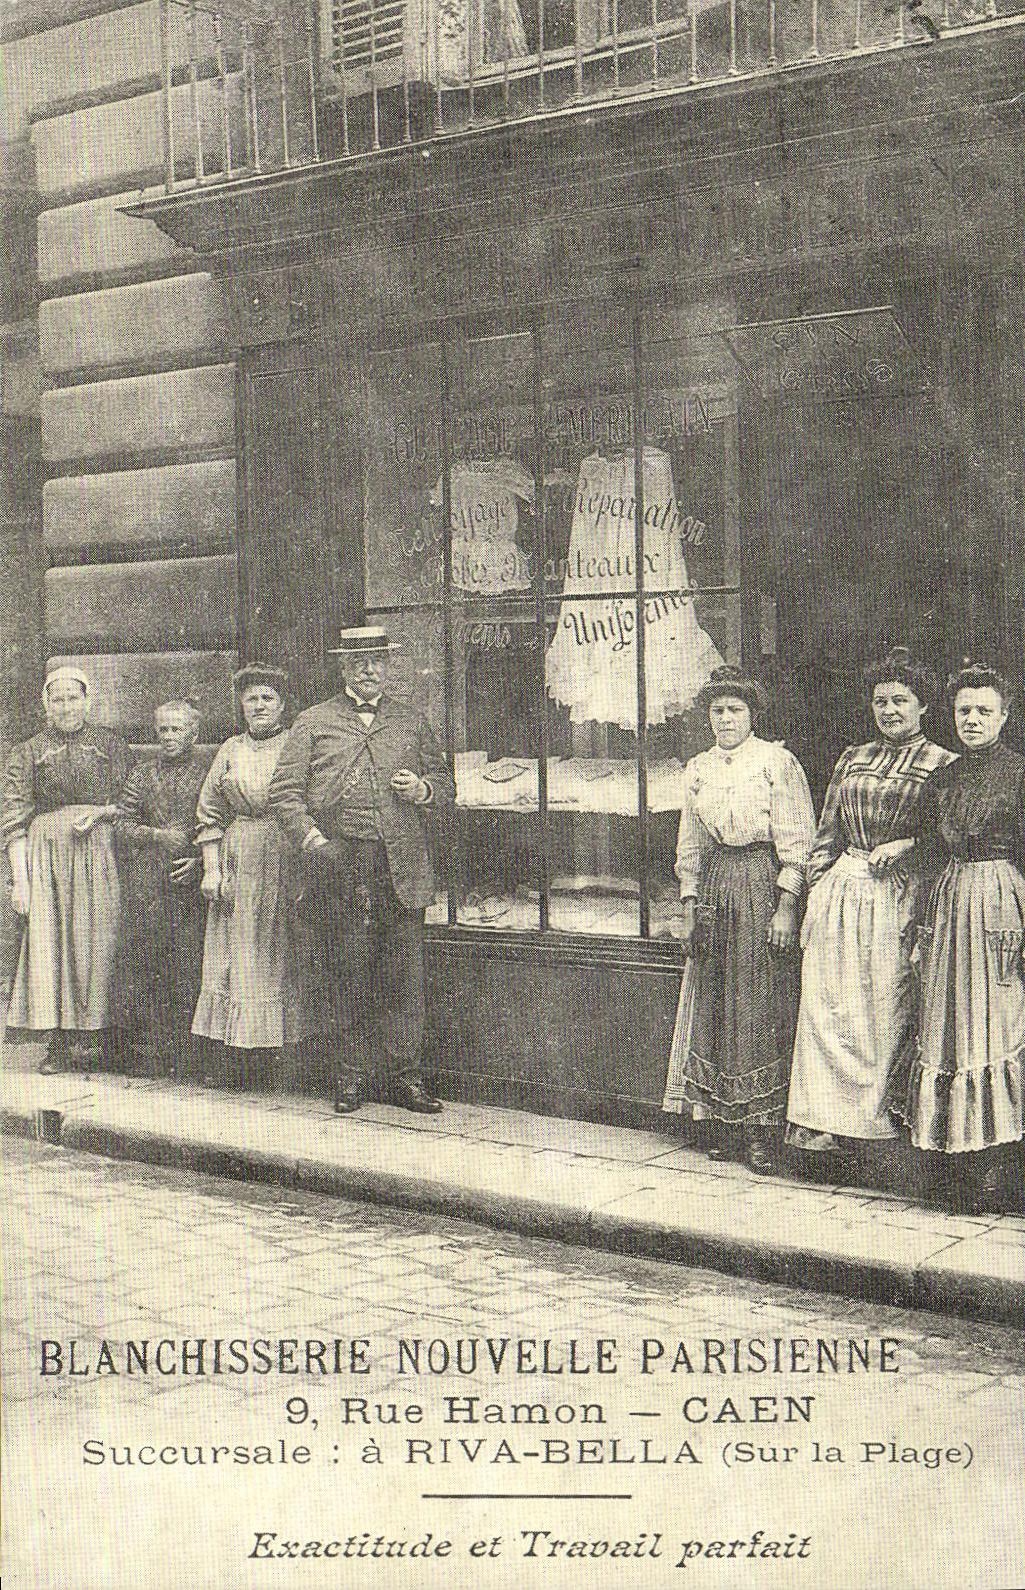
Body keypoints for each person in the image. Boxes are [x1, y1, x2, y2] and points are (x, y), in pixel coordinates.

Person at [268, 625, 454, 1115]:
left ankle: (405, 1077)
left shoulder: (411, 721)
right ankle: (350, 1075)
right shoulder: (313, 722)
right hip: (340, 863)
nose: (369, 670)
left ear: (388, 667)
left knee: (403, 975)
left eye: (377, 661)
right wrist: (314, 841)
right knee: (347, 971)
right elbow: (283, 794)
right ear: (344, 669)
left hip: (400, 865)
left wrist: (423, 788)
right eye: (359, 663)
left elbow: (446, 784)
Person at [786, 649, 956, 1165]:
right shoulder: (852, 757)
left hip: (898, 897)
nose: (889, 710)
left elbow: (948, 840)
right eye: (880, 700)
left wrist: (906, 847)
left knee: (883, 1012)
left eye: (900, 700)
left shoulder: (942, 764)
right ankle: (819, 1130)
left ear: (923, 707)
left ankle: (874, 1135)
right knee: (826, 1010)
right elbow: (827, 832)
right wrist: (809, 898)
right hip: (840, 893)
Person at [661, 665, 816, 1172]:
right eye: (717, 711)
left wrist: (787, 908)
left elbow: (798, 842)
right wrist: (689, 908)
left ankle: (761, 1130)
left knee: (757, 1001)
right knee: (716, 997)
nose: (725, 719)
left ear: (752, 715)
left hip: (759, 879)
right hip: (715, 886)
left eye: (735, 710)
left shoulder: (776, 762)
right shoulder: (699, 768)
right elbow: (690, 843)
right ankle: (722, 1120)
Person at [897, 662, 1025, 1212]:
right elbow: (927, 851)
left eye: (983, 711)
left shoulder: (1018, 774)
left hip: (1000, 900)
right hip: (951, 902)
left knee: (997, 1019)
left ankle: (997, 1163)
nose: (972, 720)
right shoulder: (942, 778)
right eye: (963, 711)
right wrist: (920, 920)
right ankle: (957, 1155)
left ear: (1004, 716)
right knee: (949, 1021)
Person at [3, 666, 129, 1072]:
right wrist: (20, 881)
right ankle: (56, 1044)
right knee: (51, 945)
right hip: (47, 858)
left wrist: (102, 813)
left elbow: (132, 801)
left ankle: (98, 1038)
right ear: (45, 704)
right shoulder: (27, 751)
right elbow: (14, 818)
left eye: (73, 697)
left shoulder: (111, 745)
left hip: (100, 850)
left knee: (98, 941)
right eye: (57, 699)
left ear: (87, 701)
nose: (66, 706)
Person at [191, 665, 302, 1087]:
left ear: (282, 705)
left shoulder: (295, 744)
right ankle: (236, 1055)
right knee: (235, 953)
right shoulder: (230, 749)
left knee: (277, 951)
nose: (259, 706)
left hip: (284, 854)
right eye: (252, 698)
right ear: (241, 704)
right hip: (240, 854)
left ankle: (281, 1057)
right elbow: (210, 811)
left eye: (268, 698)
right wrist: (212, 868)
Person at [113, 700, 211, 1078]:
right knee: (145, 966)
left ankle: (188, 1056)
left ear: (193, 734)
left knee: (188, 968)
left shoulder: (206, 773)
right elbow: (122, 823)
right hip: (149, 886)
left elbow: (218, 822)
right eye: (163, 730)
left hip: (191, 886)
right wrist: (157, 835)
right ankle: (148, 1053)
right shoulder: (143, 774)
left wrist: (201, 861)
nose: (169, 737)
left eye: (177, 730)